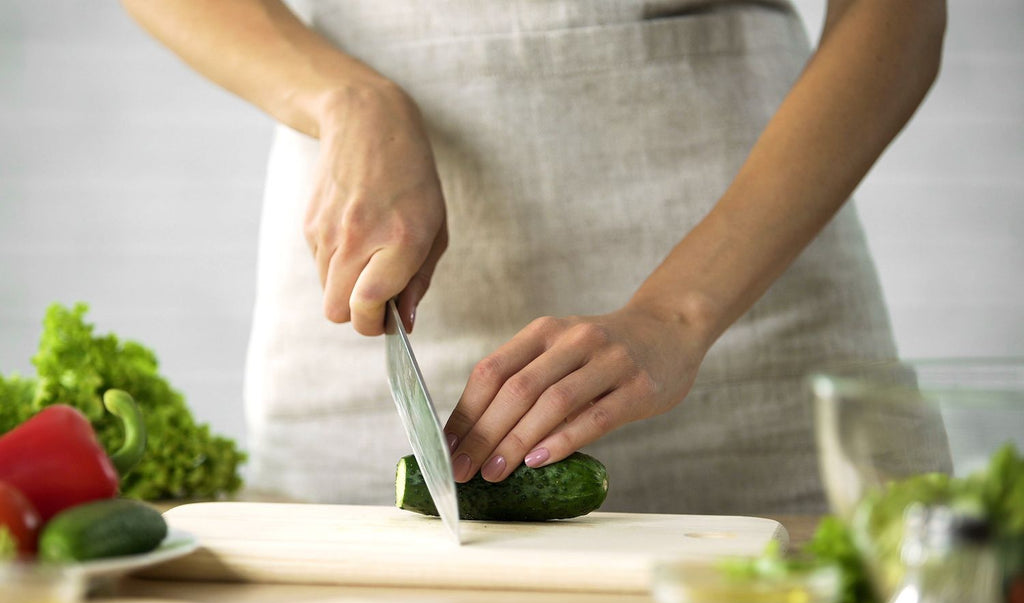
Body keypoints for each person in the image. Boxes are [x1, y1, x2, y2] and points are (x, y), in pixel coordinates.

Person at [121, 0, 952, 514]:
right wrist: (345, 100)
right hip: (370, 320)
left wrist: (678, 310)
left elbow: (899, 15)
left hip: (747, 300)